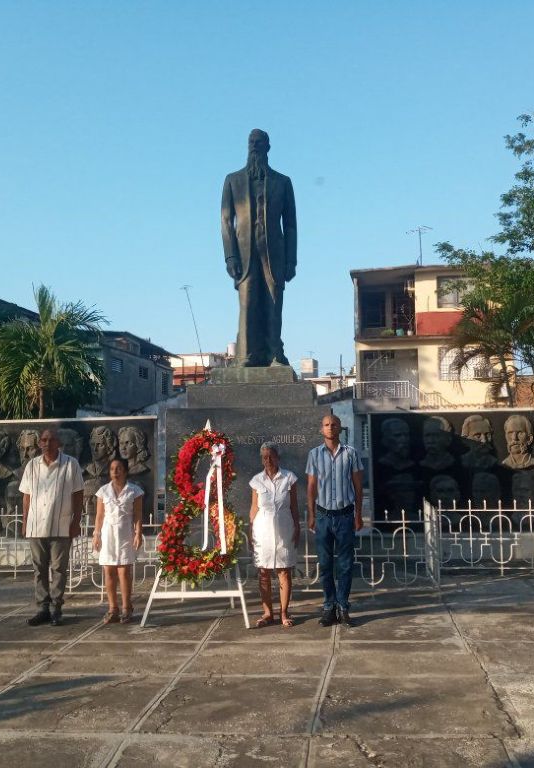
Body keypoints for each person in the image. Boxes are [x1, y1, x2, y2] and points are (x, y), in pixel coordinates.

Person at [221, 129, 297, 367]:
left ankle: (274, 354)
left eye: (259, 142)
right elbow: (226, 221)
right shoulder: (233, 180)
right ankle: (246, 355)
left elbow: (291, 225)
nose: (254, 146)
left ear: (267, 147)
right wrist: (230, 256)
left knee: (274, 303)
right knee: (248, 303)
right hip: (244, 255)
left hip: (274, 253)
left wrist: (291, 261)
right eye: (251, 142)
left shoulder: (283, 182)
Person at [19, 429, 84, 627]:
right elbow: (26, 496)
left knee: (58, 569)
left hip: (60, 526)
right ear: (40, 443)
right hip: (36, 525)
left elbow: (78, 494)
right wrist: (25, 521)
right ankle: (43, 608)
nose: (47, 443)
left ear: (58, 443)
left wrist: (76, 522)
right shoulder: (32, 465)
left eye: (51, 440)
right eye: (44, 440)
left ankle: (56, 608)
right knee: (39, 569)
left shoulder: (70, 464)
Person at [306, 414, 364, 627]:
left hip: (345, 516)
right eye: (326, 425)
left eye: (334, 425)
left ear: (340, 428)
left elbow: (358, 486)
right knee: (325, 563)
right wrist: (312, 514)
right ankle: (329, 607)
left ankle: (343, 607)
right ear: (321, 429)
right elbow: (311, 486)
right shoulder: (314, 454)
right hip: (323, 516)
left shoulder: (351, 453)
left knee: (346, 564)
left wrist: (358, 514)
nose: (330, 428)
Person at [248, 442, 300, 628]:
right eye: (264, 457)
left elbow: (294, 506)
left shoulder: (289, 478)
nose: (268, 460)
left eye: (271, 456)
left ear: (278, 457)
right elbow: (254, 508)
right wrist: (250, 529)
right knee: (264, 571)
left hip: (284, 527)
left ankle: (284, 612)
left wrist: (297, 527)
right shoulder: (256, 480)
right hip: (262, 529)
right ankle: (268, 613)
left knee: (284, 571)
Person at [92, 457, 144, 624]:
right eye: (112, 468)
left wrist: (138, 533)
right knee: (109, 570)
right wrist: (96, 535)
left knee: (123, 571)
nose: (115, 471)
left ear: (125, 471)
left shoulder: (134, 491)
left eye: (119, 468)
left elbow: (138, 515)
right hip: (108, 534)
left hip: (125, 533)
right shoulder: (103, 491)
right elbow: (99, 516)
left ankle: (127, 607)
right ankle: (112, 608)